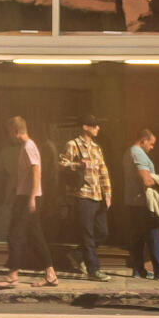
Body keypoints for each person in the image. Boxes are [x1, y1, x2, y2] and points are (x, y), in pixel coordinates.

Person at [0, 116, 56, 290]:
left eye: (9, 132)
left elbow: (36, 171)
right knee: (35, 236)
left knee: (15, 234)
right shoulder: (26, 146)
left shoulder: (28, 146)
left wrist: (31, 197)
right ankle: (51, 274)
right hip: (26, 196)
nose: (9, 136)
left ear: (15, 131)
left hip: (28, 197)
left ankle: (12, 276)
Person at [61, 117, 113, 278]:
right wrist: (78, 165)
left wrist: (108, 194)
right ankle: (93, 270)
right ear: (85, 127)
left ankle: (77, 254)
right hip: (82, 194)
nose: (98, 128)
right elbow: (61, 164)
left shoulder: (97, 147)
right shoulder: (73, 144)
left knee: (103, 232)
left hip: (98, 196)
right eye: (94, 125)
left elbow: (103, 171)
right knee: (87, 233)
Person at [124, 127, 159, 281]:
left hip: (133, 201)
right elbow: (146, 179)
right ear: (143, 140)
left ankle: (138, 270)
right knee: (154, 235)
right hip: (144, 202)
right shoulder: (138, 153)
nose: (152, 147)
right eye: (151, 144)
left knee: (138, 237)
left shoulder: (128, 152)